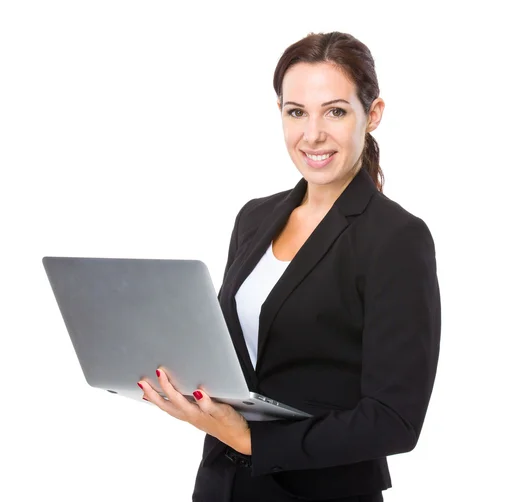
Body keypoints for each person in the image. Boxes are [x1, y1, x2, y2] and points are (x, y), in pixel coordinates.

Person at [137, 31, 441, 501]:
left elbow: (394, 421)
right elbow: (242, 360)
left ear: (373, 114)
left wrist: (250, 440)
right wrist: (181, 382)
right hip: (223, 485)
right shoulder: (255, 217)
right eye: (296, 112)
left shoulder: (395, 238)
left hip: (323, 491)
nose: (312, 133)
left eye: (335, 111)